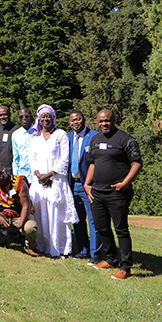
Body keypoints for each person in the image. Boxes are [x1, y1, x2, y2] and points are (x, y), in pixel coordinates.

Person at [84, 109, 143, 280]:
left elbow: (137, 163)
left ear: (114, 120)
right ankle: (111, 259)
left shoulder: (125, 139)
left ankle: (125, 267)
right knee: (101, 227)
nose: (104, 124)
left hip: (118, 193)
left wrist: (125, 183)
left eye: (107, 121)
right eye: (101, 121)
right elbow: (93, 164)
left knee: (121, 229)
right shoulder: (95, 139)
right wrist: (87, 184)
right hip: (97, 193)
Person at [30, 104, 78, 257]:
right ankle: (44, 247)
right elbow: (32, 158)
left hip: (56, 181)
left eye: (48, 116)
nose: (45, 119)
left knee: (57, 216)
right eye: (43, 116)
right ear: (39, 119)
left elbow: (65, 159)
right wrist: (39, 175)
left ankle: (61, 249)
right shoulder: (35, 137)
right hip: (39, 183)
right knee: (41, 216)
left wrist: (49, 174)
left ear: (53, 118)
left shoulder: (61, 134)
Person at [0, 163, 38, 255]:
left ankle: (31, 246)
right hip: (3, 213)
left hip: (21, 214)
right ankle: (0, 241)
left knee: (31, 228)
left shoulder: (19, 183)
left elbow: (25, 206)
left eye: (0, 173)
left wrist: (19, 225)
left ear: (6, 171)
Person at [68, 109, 101, 264]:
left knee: (93, 220)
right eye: (73, 120)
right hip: (72, 184)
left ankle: (95, 254)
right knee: (78, 220)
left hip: (88, 185)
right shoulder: (68, 138)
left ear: (84, 119)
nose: (76, 122)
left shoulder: (94, 136)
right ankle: (83, 250)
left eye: (78, 119)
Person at [0, 105, 20, 174]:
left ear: (10, 115)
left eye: (5, 115)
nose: (2, 117)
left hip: (15, 170)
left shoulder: (17, 130)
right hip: (1, 172)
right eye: (0, 115)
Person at [11, 108, 35, 183]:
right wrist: (16, 176)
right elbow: (16, 157)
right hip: (23, 175)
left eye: (26, 116)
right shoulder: (16, 135)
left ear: (31, 117)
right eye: (21, 117)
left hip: (37, 175)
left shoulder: (39, 131)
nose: (24, 118)